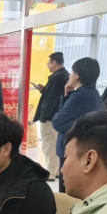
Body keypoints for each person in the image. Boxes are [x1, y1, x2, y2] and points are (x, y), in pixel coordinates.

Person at [52, 57, 102, 193]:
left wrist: (67, 97)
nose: (70, 76)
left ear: (78, 75)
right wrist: (66, 95)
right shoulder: (93, 93)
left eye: (72, 72)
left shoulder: (79, 97)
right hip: (84, 147)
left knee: (66, 191)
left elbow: (58, 122)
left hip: (71, 149)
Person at [33, 52, 70, 182]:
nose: (47, 65)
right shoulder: (64, 75)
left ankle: (50, 172)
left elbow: (51, 99)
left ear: (54, 63)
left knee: (49, 144)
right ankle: (56, 170)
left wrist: (43, 117)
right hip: (57, 116)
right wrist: (44, 90)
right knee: (55, 143)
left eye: (48, 63)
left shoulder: (57, 77)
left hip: (50, 117)